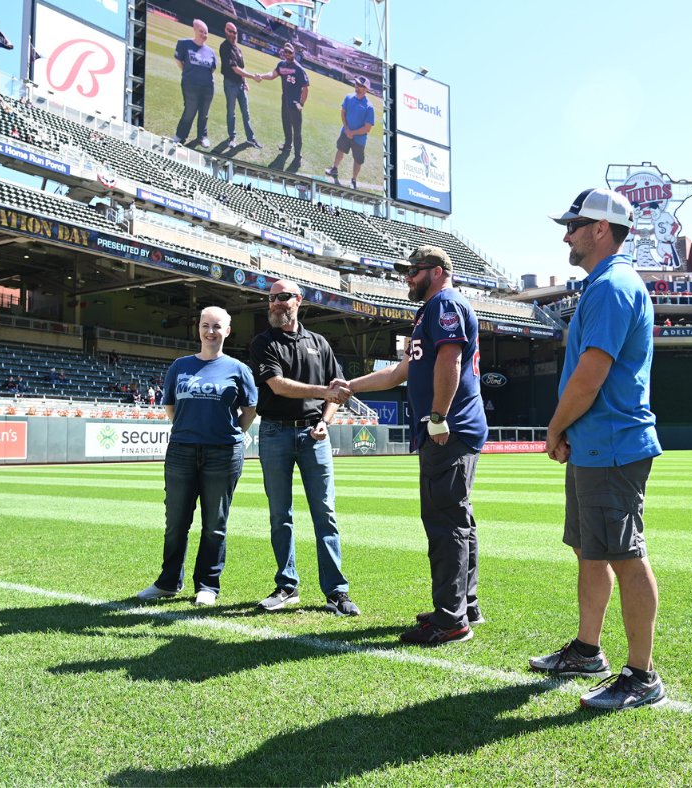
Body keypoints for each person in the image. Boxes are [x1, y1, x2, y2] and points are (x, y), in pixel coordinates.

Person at [528, 188, 665, 712]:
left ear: (600, 229)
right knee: (591, 551)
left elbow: (590, 376)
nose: (566, 234)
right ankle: (587, 651)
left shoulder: (612, 286)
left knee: (627, 556)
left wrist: (554, 428)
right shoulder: (605, 284)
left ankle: (642, 675)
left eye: (574, 225)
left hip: (610, 443)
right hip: (596, 442)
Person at [342, 247, 488, 645]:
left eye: (413, 271)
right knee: (458, 517)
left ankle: (450, 619)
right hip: (450, 429)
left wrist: (438, 416)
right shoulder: (428, 310)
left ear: (437, 272)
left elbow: (450, 360)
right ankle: (464, 604)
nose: (407, 277)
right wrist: (351, 386)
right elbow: (400, 372)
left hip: (449, 429)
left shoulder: (445, 302)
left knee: (445, 522)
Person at [249, 279, 360, 616]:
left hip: (314, 435)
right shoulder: (262, 342)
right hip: (274, 433)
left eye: (282, 298)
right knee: (280, 515)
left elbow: (338, 390)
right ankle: (287, 586)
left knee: (324, 514)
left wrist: (326, 418)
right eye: (271, 299)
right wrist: (324, 393)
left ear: (298, 301)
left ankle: (336, 592)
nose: (275, 304)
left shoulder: (319, 342)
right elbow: (278, 386)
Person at [137, 306, 257, 606]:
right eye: (205, 325)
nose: (210, 331)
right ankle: (168, 582)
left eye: (217, 326)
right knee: (176, 522)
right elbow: (171, 408)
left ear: (227, 331)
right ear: (198, 329)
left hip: (223, 454)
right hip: (181, 452)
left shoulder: (238, 369)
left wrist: (230, 433)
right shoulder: (179, 366)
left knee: (214, 523)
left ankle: (207, 585)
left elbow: (250, 410)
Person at [258, 42, 308, 167]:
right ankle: (287, 145)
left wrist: (301, 104)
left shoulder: (299, 69)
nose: (287, 54)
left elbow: (306, 88)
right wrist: (261, 76)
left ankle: (297, 155)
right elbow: (272, 75)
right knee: (286, 125)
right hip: (284, 102)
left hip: (295, 105)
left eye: (289, 52)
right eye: (285, 52)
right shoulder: (281, 65)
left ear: (294, 53)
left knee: (297, 131)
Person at [172, 19, 217, 148]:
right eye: (201, 31)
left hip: (208, 87)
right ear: (194, 29)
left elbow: (212, 69)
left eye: (206, 33)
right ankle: (180, 136)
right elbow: (179, 60)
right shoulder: (184, 44)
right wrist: (188, 73)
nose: (204, 35)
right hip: (190, 84)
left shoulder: (211, 52)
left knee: (204, 114)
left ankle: (202, 137)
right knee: (190, 111)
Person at [324, 76, 374, 190]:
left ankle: (353, 180)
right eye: (357, 84)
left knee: (357, 160)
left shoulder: (369, 107)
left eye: (361, 85)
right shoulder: (349, 97)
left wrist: (353, 132)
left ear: (366, 89)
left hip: (359, 139)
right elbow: (343, 112)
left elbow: (367, 128)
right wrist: (346, 129)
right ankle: (334, 169)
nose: (357, 86)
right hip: (345, 132)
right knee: (340, 150)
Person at [219, 22, 263, 150]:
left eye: (235, 32)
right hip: (230, 84)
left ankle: (250, 138)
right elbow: (235, 69)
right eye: (230, 31)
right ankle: (232, 137)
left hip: (240, 85)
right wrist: (252, 77)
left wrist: (245, 82)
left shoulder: (238, 49)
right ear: (226, 31)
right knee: (231, 112)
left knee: (246, 113)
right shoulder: (225, 47)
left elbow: (242, 67)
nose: (233, 34)